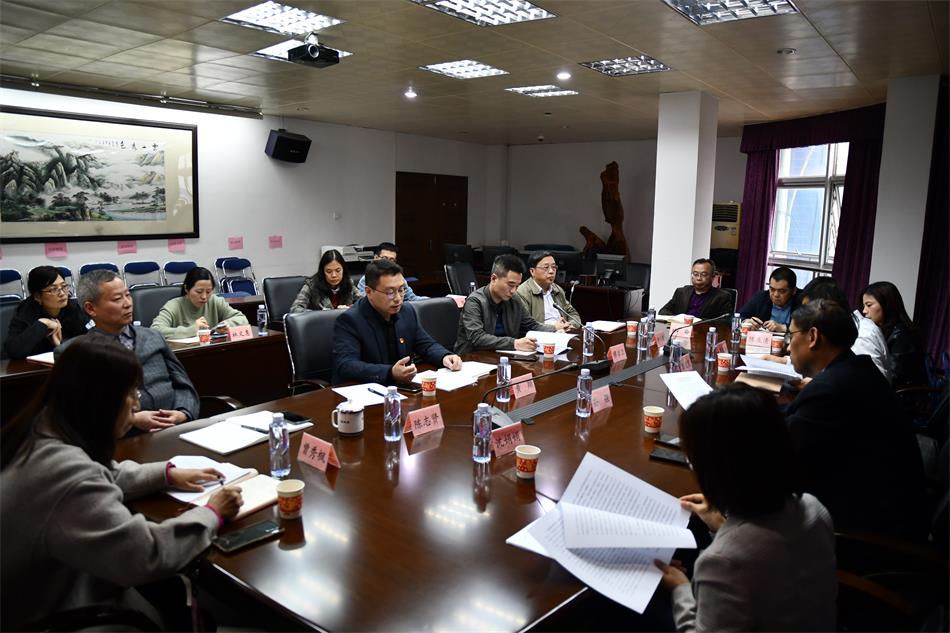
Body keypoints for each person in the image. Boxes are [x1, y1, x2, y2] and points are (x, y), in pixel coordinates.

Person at [0, 337, 243, 631]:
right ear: (101, 400)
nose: (137, 404)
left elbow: (103, 473)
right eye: (131, 393)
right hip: (57, 613)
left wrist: (167, 474)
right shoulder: (65, 473)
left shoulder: (43, 428)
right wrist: (212, 513)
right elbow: (146, 554)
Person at [654, 384, 836, 632]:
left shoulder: (723, 561)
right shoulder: (814, 508)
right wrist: (721, 526)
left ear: (717, 469)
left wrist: (680, 588)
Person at [784, 299, 926, 539]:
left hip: (864, 532)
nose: (788, 346)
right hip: (879, 503)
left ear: (813, 337)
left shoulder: (831, 389)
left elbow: (783, 454)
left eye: (791, 335)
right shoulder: (854, 369)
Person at [59, 270, 199, 432]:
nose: (127, 304)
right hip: (120, 437)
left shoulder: (153, 336)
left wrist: (183, 413)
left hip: (174, 428)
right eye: (117, 299)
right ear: (91, 308)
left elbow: (184, 385)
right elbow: (80, 409)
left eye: (128, 295)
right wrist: (131, 419)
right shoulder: (77, 352)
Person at [333, 259, 463, 385]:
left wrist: (445, 357)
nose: (398, 299)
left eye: (401, 290)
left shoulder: (407, 312)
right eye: (390, 292)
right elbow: (346, 365)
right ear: (369, 292)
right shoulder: (350, 320)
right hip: (362, 390)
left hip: (400, 388)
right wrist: (389, 372)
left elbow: (426, 345)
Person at [454, 254, 564, 355]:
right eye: (510, 285)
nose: (513, 291)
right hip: (473, 358)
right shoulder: (475, 301)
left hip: (505, 355)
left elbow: (531, 325)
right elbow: (477, 338)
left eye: (517, 286)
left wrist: (554, 330)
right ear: (494, 278)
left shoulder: (514, 299)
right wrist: (514, 343)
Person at [3, 266, 89, 359]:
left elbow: (91, 339)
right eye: (53, 289)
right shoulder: (25, 312)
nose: (62, 293)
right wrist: (42, 324)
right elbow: (13, 351)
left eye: (64, 286)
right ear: (37, 296)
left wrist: (62, 345)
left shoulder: (74, 307)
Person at [861, 281, 928, 389]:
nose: (864, 311)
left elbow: (895, 376)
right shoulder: (881, 330)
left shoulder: (903, 334)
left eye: (869, 305)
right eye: (864, 305)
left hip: (902, 396)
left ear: (886, 304)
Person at [150, 266, 248, 339]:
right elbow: (155, 330)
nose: (204, 297)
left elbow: (242, 318)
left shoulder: (214, 301)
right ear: (186, 289)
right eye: (199, 291)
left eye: (208, 292)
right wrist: (192, 330)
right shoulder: (174, 305)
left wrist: (227, 324)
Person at [516, 251, 580, 329]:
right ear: (532, 271)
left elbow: (572, 313)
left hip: (563, 332)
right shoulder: (523, 292)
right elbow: (526, 324)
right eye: (546, 267)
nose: (551, 271)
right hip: (541, 334)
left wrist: (570, 325)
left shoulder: (557, 289)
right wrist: (554, 328)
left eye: (554, 267)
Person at [658, 259, 733, 319]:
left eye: (703, 275)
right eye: (695, 274)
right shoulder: (681, 292)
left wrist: (698, 322)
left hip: (703, 331)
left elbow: (725, 321)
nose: (699, 278)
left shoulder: (721, 297)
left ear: (712, 277)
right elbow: (663, 311)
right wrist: (678, 319)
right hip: (680, 329)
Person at [290, 249, 359, 312]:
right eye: (329, 271)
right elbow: (295, 309)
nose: (334, 275)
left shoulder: (348, 283)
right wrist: (320, 314)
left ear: (343, 270)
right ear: (322, 272)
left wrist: (350, 308)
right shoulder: (311, 285)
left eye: (338, 270)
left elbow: (363, 303)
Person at [738, 266, 799, 333]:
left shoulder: (803, 300)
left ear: (794, 291)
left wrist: (783, 328)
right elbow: (736, 317)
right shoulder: (761, 297)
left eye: (781, 291)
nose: (775, 295)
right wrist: (746, 321)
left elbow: (807, 327)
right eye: (772, 289)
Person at [355, 242, 421, 301]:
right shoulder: (366, 279)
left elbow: (412, 298)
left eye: (391, 260)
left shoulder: (399, 278)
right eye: (384, 258)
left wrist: (427, 301)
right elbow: (364, 303)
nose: (387, 263)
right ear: (376, 258)